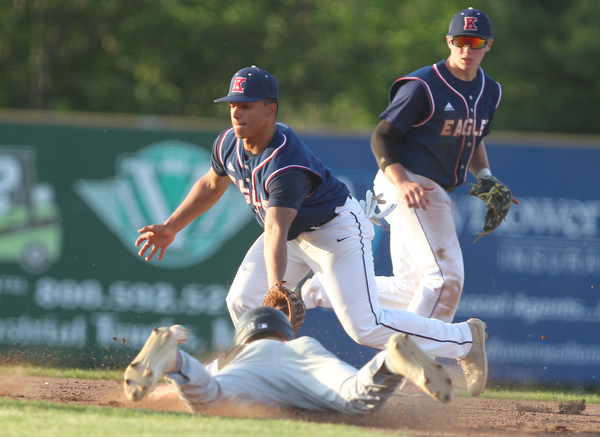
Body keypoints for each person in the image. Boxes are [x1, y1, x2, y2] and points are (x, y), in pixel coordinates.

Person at [135, 65, 488, 396]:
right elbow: (212, 185)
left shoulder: (285, 162)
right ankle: (270, 376)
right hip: (291, 234)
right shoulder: (228, 142)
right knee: (241, 300)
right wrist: (171, 226)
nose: (236, 113)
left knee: (365, 326)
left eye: (246, 105)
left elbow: (275, 230)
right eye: (232, 105)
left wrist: (277, 287)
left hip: (334, 233)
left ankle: (465, 340)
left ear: (270, 110)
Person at [301, 8, 515, 324]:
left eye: (476, 41)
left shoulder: (490, 91)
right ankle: (410, 357)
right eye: (460, 41)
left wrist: (484, 175)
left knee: (409, 289)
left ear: (488, 45)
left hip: (429, 189)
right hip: (409, 182)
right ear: (449, 41)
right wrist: (402, 183)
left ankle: (319, 290)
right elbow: (382, 137)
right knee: (446, 278)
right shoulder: (423, 85)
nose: (467, 49)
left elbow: (472, 138)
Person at [124, 306, 455, 413]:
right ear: (284, 333)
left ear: (244, 336)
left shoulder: (232, 356)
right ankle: (389, 362)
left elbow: (188, 393)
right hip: (302, 358)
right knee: (354, 395)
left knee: (208, 396)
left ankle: (174, 361)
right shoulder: (300, 346)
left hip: (244, 367)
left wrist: (154, 396)